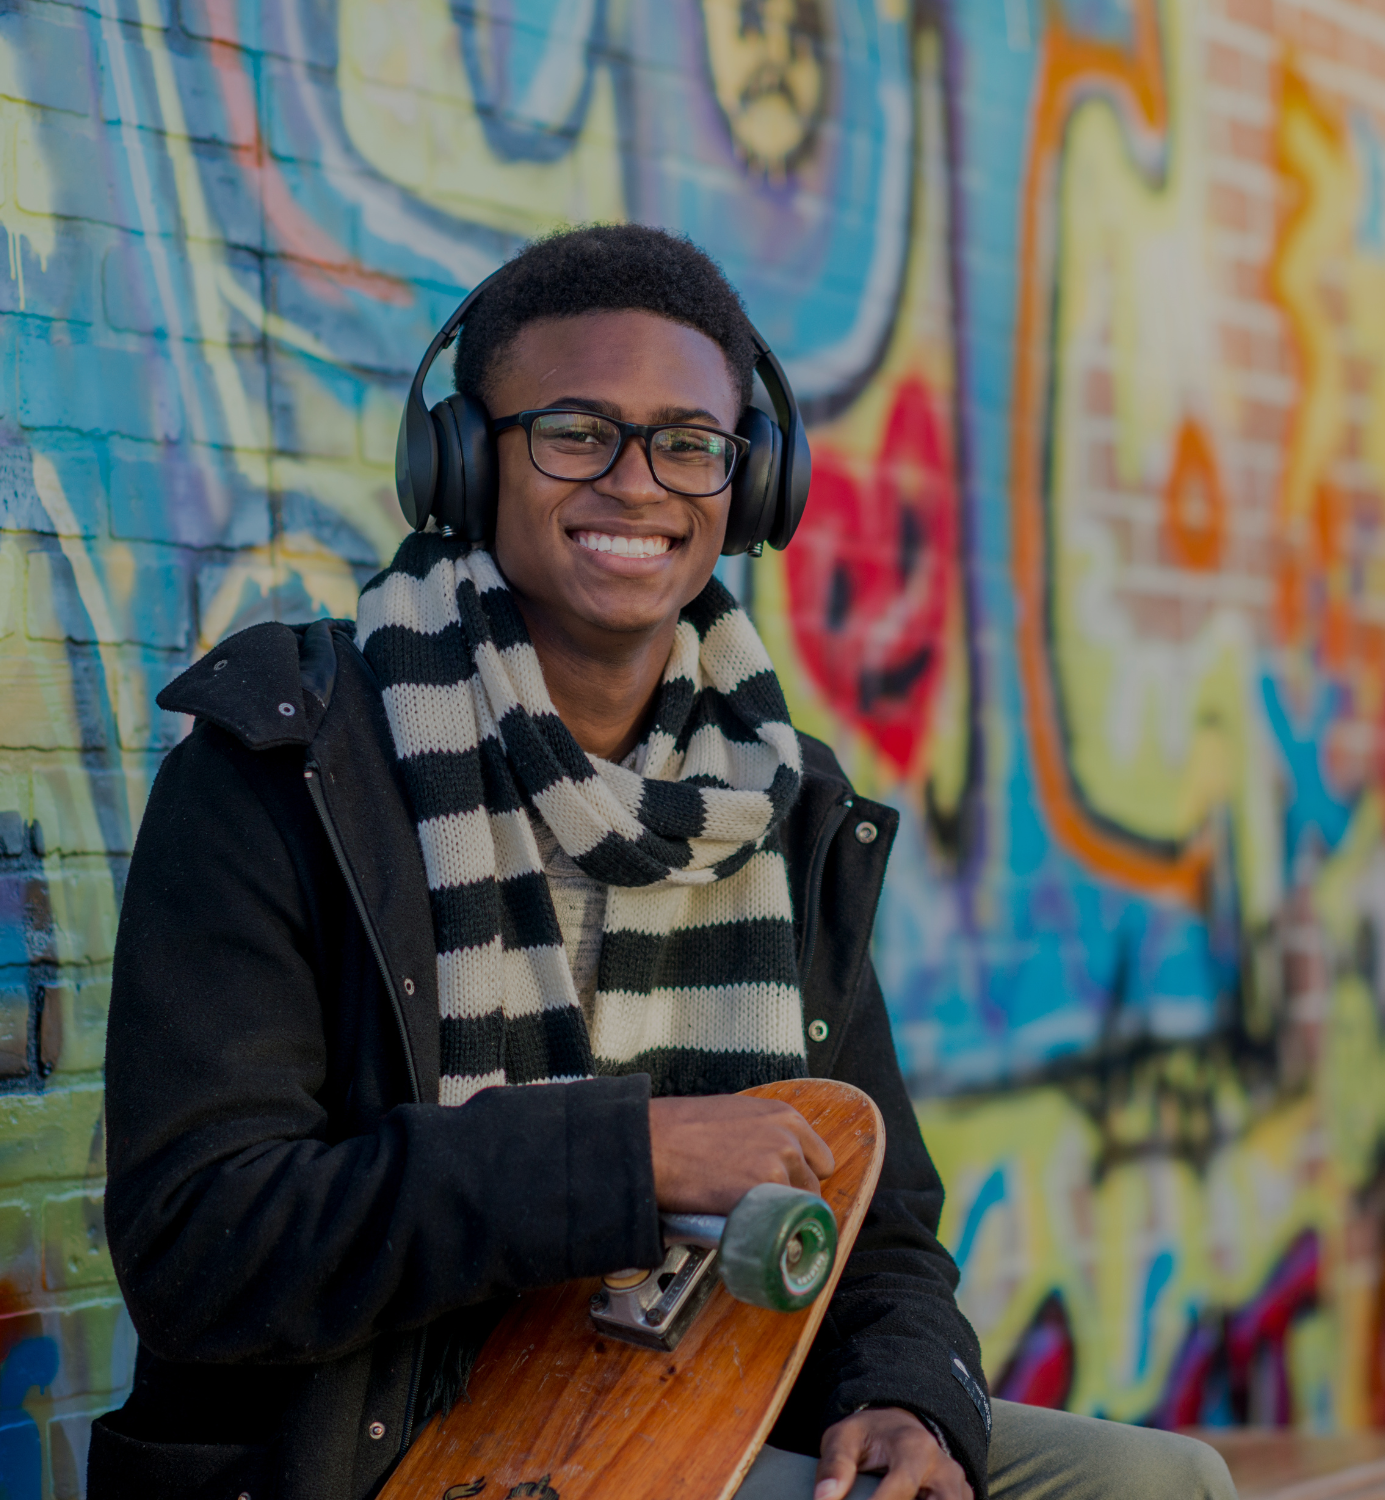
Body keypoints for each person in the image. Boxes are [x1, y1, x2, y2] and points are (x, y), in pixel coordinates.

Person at [92, 224, 1236, 1500]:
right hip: (385, 1444)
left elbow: (879, 1226)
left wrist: (906, 1394)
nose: (637, 484)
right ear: (462, 460)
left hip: (695, 1404)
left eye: (690, 444)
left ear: (753, 486)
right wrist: (622, 1162)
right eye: (576, 432)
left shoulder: (776, 804)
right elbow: (200, 1245)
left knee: (1156, 1482)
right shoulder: (291, 771)